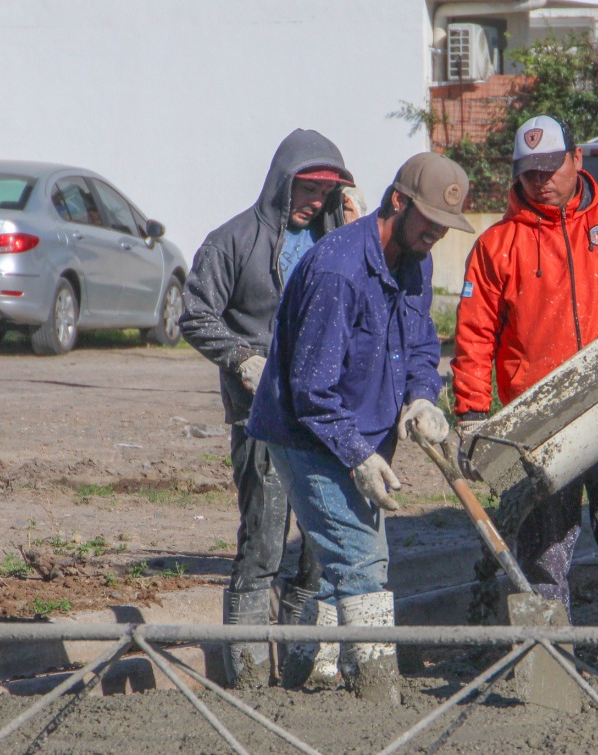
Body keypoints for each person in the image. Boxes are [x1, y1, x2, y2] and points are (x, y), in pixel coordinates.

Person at [451, 114, 598, 673]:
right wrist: (471, 411)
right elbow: (475, 333)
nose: (541, 181)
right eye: (529, 172)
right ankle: (548, 661)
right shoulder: (497, 246)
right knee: (543, 549)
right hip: (539, 430)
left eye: (551, 168)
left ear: (577, 159)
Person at [247, 152, 472, 693]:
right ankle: (376, 689)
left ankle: (313, 671)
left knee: (336, 562)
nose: (437, 236)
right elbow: (311, 392)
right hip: (308, 436)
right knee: (362, 559)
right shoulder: (338, 271)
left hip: (358, 432)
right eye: (431, 223)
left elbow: (421, 346)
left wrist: (423, 398)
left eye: (447, 228)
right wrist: (359, 454)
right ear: (398, 201)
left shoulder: (415, 262)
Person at [180, 128, 354, 689]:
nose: (314, 201)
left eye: (325, 192)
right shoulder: (234, 241)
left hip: (320, 419)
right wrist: (240, 358)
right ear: (283, 183)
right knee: (262, 546)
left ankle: (302, 671)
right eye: (306, 188)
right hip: (261, 417)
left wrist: (358, 229)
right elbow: (195, 314)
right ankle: (251, 678)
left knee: (315, 554)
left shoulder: (338, 243)